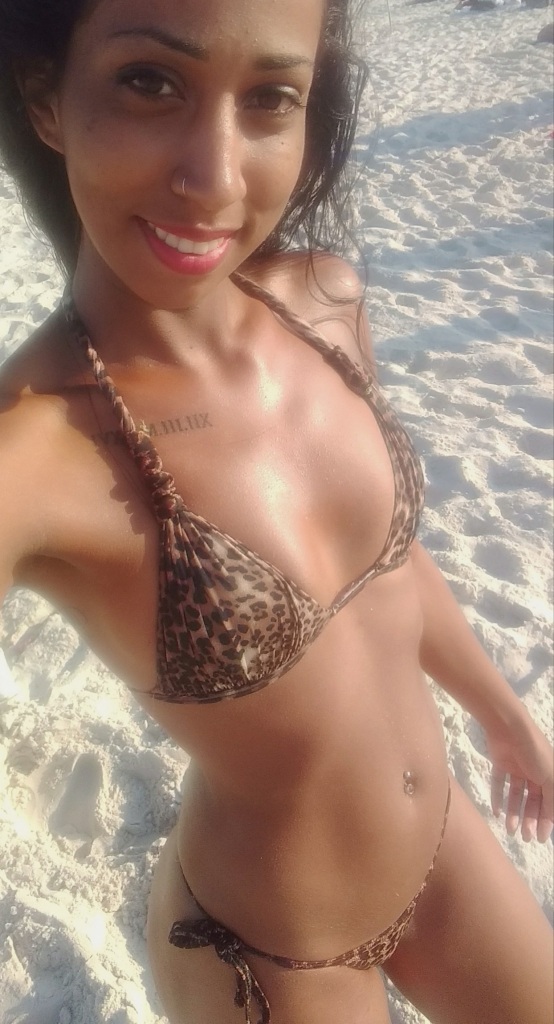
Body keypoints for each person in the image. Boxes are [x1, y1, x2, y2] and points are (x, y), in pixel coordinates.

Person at [0, 1, 552, 1022]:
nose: (215, 179)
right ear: (46, 100)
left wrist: (503, 713)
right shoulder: (35, 452)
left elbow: (388, 568)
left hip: (445, 845)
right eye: (150, 82)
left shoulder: (324, 304)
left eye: (268, 98)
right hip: (275, 953)